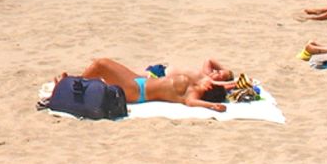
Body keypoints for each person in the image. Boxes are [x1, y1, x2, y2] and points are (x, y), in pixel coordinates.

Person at [66, 58, 229, 111]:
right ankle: (74, 82)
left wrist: (212, 105)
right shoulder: (195, 83)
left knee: (100, 65)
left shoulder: (192, 94)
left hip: (136, 91)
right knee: (101, 68)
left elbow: (191, 103)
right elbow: (209, 63)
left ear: (208, 88)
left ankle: (72, 85)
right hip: (139, 81)